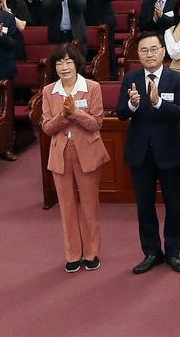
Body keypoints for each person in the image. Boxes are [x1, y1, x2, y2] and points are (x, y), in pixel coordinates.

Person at [118, 32, 180, 274]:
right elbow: (120, 113)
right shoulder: (131, 79)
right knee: (144, 206)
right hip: (140, 153)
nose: (149, 54)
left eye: (153, 49)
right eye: (144, 51)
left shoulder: (176, 78)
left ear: (163, 52)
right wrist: (132, 105)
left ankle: (173, 252)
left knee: (174, 206)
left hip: (169, 151)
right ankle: (151, 252)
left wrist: (158, 103)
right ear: (138, 55)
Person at [40, 44, 109, 272]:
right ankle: (72, 254)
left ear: (77, 64)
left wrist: (75, 113)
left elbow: (96, 123)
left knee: (90, 205)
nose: (64, 67)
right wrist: (63, 116)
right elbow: (48, 128)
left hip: (87, 151)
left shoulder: (92, 87)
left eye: (68, 62)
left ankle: (92, 253)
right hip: (60, 154)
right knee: (67, 207)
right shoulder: (49, 91)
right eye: (59, 63)